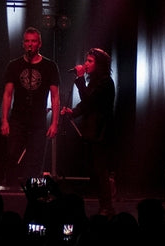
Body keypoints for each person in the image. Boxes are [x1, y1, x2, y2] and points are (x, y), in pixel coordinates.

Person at [0, 26, 60, 187]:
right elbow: (7, 94)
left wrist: (55, 123)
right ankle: (11, 190)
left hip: (38, 120)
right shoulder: (14, 65)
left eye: (33, 41)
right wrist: (4, 120)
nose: (30, 44)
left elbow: (55, 96)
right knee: (12, 154)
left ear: (39, 44)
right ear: (23, 44)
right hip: (18, 119)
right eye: (27, 41)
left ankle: (33, 193)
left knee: (36, 159)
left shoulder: (50, 66)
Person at [60, 47, 116, 216]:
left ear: (99, 65)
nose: (85, 64)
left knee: (100, 169)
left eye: (90, 61)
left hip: (101, 132)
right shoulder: (94, 81)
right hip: (91, 131)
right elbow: (86, 104)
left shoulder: (106, 82)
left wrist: (79, 79)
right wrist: (74, 112)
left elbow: (90, 101)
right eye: (86, 60)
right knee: (95, 170)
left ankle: (107, 206)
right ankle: (105, 203)